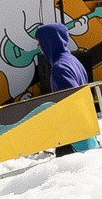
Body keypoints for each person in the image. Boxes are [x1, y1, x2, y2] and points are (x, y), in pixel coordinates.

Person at [36, 21, 98, 155]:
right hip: (85, 131)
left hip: (74, 137)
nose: (38, 45)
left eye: (40, 41)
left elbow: (71, 103)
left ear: (50, 41)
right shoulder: (72, 60)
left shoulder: (60, 67)